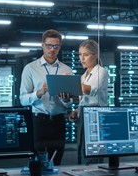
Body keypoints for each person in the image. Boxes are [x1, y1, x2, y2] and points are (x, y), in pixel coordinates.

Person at [19, 29, 73, 165]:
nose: (52, 50)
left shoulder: (66, 70)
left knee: (57, 162)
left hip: (58, 122)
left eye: (56, 46)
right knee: (37, 163)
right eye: (49, 45)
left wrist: (66, 100)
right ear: (42, 45)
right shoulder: (30, 68)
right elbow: (23, 99)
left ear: (59, 47)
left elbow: (69, 105)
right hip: (38, 122)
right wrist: (38, 93)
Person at [69, 39, 108, 163]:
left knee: (93, 154)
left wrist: (68, 82)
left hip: (96, 115)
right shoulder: (83, 76)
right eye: (80, 55)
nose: (82, 58)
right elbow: (84, 101)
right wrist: (76, 111)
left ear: (95, 55)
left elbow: (91, 90)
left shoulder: (101, 71)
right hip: (83, 116)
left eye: (85, 55)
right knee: (81, 150)